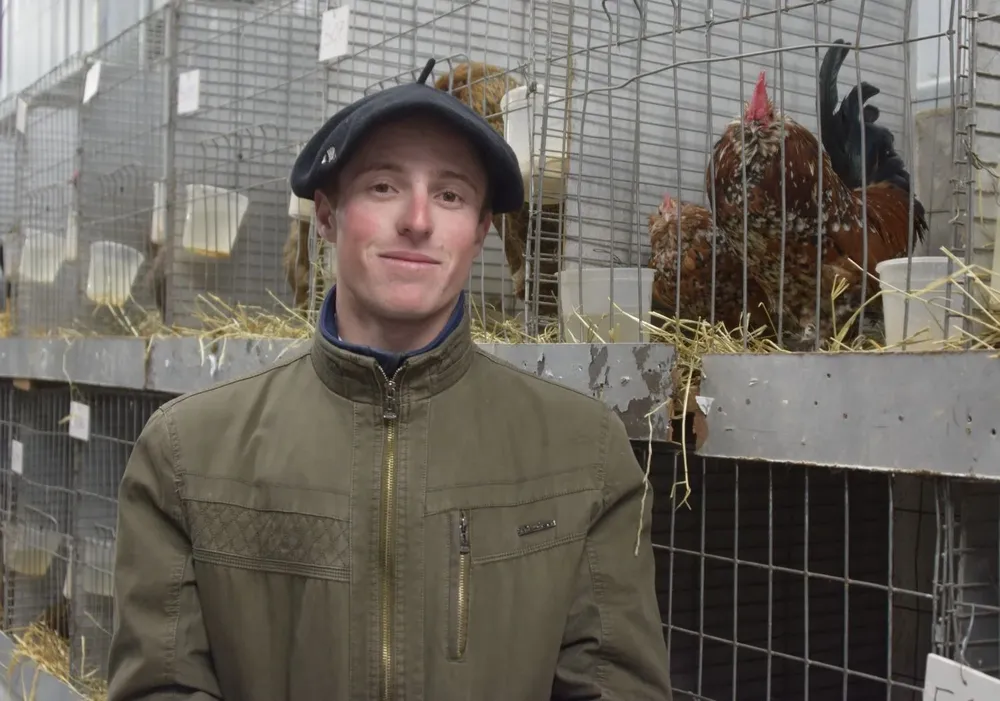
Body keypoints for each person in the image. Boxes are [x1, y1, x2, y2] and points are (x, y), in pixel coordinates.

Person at [106, 58, 673, 701]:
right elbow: (162, 685)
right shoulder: (185, 455)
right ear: (326, 216)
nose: (419, 219)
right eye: (382, 187)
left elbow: (613, 685)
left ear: (482, 230)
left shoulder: (586, 455)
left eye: (452, 195)